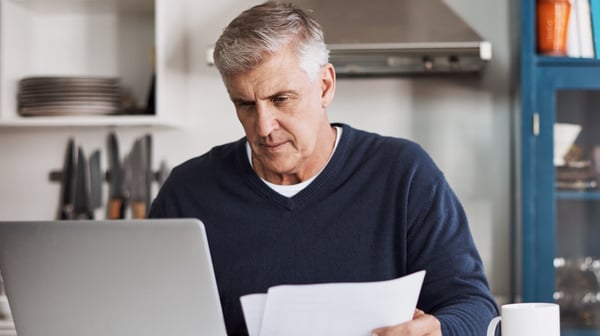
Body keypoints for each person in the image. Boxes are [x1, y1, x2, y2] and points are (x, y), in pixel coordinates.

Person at [148, 1, 499, 335]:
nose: (264, 126)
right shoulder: (188, 192)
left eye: (281, 99)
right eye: (245, 105)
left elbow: (475, 308)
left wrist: (441, 329)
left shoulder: (404, 175)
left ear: (325, 86)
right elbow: (146, 313)